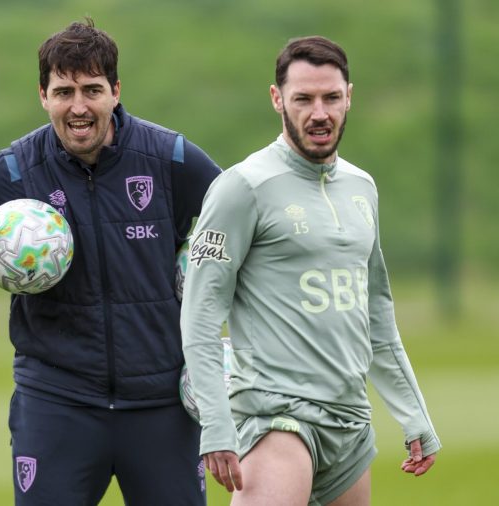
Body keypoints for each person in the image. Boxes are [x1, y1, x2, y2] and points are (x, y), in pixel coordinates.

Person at [0, 18, 221, 505]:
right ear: (42, 95)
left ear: (116, 91)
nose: (78, 106)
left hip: (161, 405)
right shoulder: (16, 169)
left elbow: (237, 227)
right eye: (63, 91)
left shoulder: (170, 158)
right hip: (57, 403)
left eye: (92, 90)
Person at [180, 36, 441, 505]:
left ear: (349, 97)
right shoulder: (242, 187)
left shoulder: (363, 187)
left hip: (350, 423)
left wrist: (414, 413)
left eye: (331, 98)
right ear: (277, 99)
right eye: (303, 99)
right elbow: (200, 313)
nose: (319, 113)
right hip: (277, 417)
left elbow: (376, 315)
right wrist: (216, 425)